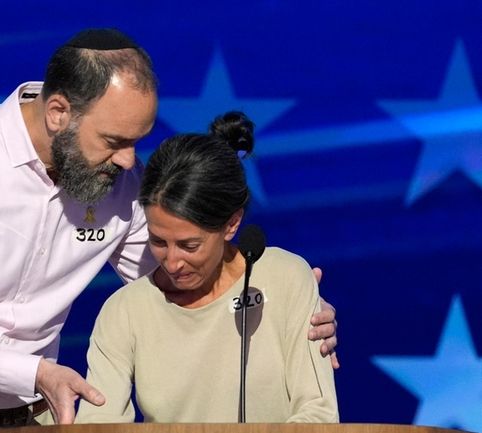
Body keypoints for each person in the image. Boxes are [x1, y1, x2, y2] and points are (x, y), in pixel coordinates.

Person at [0, 29, 338, 432]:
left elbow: (184, 275)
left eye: (137, 142)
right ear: (59, 112)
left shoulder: (119, 181)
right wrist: (35, 372)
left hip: (34, 417)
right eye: (114, 141)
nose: (129, 161)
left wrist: (287, 304)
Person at [76, 112, 339, 423]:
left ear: (231, 224)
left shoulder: (285, 278)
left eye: (189, 246)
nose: (172, 262)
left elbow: (318, 415)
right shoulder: (125, 311)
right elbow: (98, 426)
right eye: (158, 241)